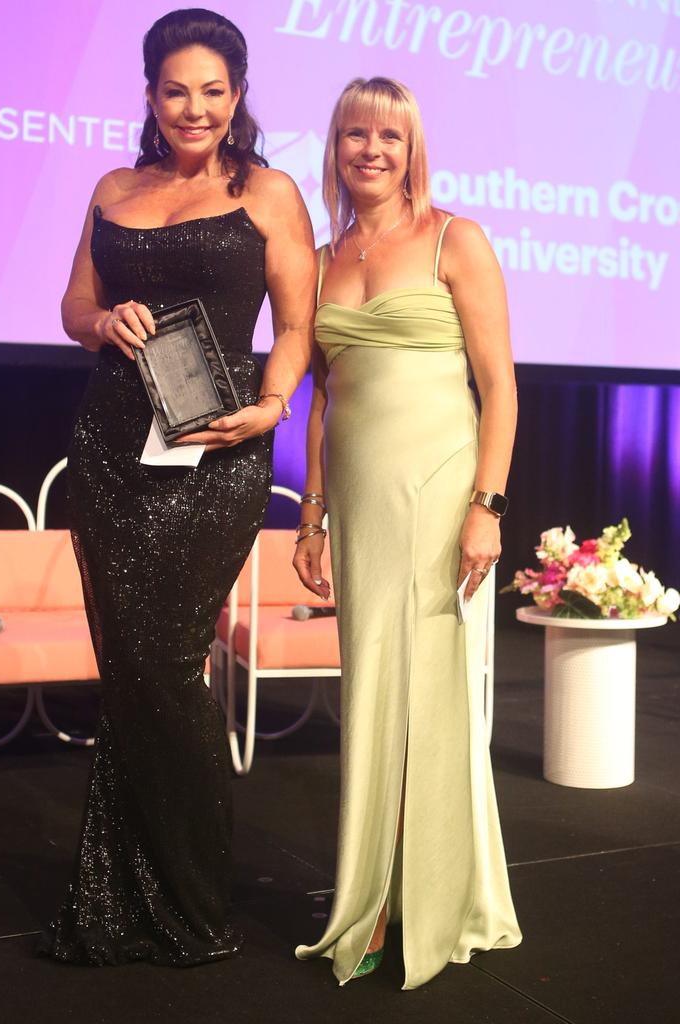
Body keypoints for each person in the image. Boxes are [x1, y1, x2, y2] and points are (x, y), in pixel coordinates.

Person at [39, 9, 315, 967]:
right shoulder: (113, 187)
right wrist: (103, 317)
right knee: (130, 672)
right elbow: (71, 305)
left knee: (165, 666)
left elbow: (294, 328)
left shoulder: (271, 193)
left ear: (237, 95)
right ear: (150, 94)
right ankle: (117, 899)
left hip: (217, 449)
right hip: (114, 448)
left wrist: (273, 407)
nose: (193, 108)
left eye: (213, 89)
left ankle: (193, 902)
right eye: (174, 89)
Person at [293, 77, 521, 989]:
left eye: (389, 135)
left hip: (440, 495)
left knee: (431, 696)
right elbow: (321, 400)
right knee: (374, 693)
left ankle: (420, 898)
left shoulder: (455, 240)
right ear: (336, 146)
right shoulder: (315, 259)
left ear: (413, 145)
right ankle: (375, 887)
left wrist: (487, 506)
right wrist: (309, 515)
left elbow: (499, 385)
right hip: (357, 502)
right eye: (355, 133)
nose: (372, 150)